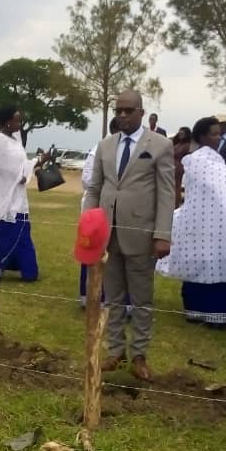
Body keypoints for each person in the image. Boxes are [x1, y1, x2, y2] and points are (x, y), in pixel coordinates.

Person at [84, 90, 175, 380]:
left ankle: (139, 355)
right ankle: (115, 351)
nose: (122, 116)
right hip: (107, 233)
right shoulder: (105, 145)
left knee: (142, 300)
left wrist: (162, 234)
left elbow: (166, 192)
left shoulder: (160, 145)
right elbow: (95, 188)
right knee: (111, 297)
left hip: (141, 233)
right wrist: (88, 227)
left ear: (140, 111)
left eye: (128, 111)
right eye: (118, 111)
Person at [158, 116, 226, 328]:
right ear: (201, 136)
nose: (218, 138)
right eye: (213, 134)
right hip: (200, 220)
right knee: (201, 262)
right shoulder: (197, 160)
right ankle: (200, 310)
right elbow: (208, 190)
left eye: (219, 134)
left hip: (222, 222)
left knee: (219, 261)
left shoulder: (217, 160)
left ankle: (221, 312)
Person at [0, 107, 40, 282]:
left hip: (19, 199)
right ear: (7, 121)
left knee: (23, 234)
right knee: (4, 235)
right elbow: (15, 172)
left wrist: (36, 162)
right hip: (4, 198)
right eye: (17, 120)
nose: (20, 123)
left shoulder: (16, 139)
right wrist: (33, 165)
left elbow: (22, 164)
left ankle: (28, 270)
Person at [79, 117, 120, 306]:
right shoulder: (100, 150)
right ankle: (90, 296)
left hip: (117, 212)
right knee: (92, 252)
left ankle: (111, 297)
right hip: (98, 212)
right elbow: (88, 180)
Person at [171, 127, 192, 206]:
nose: (180, 135)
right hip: (173, 167)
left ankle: (176, 204)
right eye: (179, 133)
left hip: (179, 168)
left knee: (177, 187)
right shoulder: (178, 143)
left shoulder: (186, 145)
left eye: (182, 134)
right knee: (173, 187)